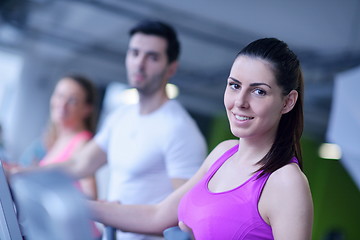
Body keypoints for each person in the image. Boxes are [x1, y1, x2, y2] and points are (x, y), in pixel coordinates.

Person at [87, 38, 314, 240]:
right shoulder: (223, 153)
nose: (240, 102)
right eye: (234, 86)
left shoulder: (286, 182)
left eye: (259, 92)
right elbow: (156, 216)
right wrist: (82, 207)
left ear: (288, 102)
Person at [21, 20, 207, 240]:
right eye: (135, 53)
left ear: (171, 68)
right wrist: (17, 173)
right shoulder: (121, 116)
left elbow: (185, 216)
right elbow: (80, 163)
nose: (140, 63)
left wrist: (118, 215)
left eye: (152, 57)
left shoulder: (179, 129)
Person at [18, 74, 99, 200]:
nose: (62, 104)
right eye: (60, 96)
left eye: (73, 101)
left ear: (86, 109)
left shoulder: (82, 143)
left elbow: (91, 198)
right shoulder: (58, 140)